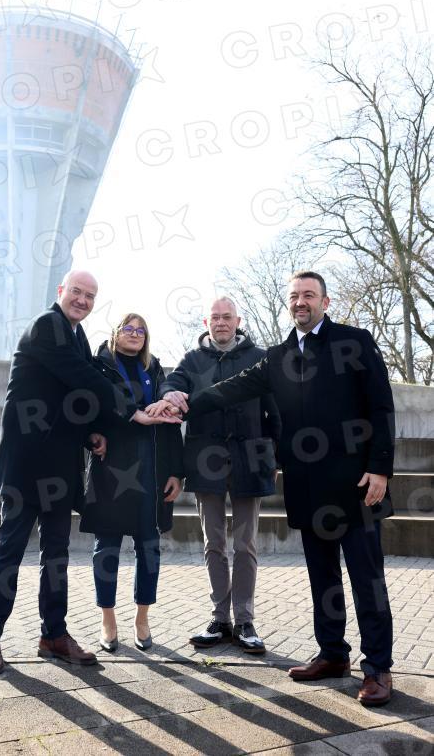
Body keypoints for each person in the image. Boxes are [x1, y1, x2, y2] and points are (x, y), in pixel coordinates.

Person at [151, 272, 395, 707]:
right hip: (307, 486)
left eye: (309, 295)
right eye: (294, 296)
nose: (301, 302)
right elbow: (229, 390)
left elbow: (381, 405)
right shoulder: (278, 356)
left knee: (367, 579)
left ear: (325, 301)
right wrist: (181, 404)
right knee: (323, 579)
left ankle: (377, 667)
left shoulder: (354, 341)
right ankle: (333, 654)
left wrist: (380, 469)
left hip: (356, 484)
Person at [0, 272, 178, 674]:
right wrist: (132, 411)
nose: (82, 300)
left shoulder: (78, 336)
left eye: (90, 295)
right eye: (76, 292)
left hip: (60, 467)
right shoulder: (47, 326)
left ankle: (54, 635)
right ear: (61, 292)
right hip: (26, 465)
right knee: (10, 552)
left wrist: (90, 434)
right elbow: (84, 378)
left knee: (56, 556)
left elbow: (75, 397)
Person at [154, 297, 280, 653]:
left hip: (250, 460)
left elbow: (276, 413)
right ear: (206, 322)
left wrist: (274, 457)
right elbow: (169, 384)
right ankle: (220, 619)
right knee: (214, 543)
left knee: (245, 544)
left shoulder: (260, 357)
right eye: (215, 318)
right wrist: (170, 393)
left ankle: (245, 621)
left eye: (227, 317)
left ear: (238, 321)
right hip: (205, 462)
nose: (221, 322)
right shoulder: (192, 360)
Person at [80, 313, 183, 652]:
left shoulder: (154, 368)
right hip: (111, 469)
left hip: (152, 470)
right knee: (106, 547)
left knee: (149, 547)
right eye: (128, 328)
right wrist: (92, 435)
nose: (135, 334)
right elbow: (89, 409)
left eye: (141, 330)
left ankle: (142, 618)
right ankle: (107, 619)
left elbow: (169, 425)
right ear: (115, 333)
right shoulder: (98, 366)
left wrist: (175, 471)